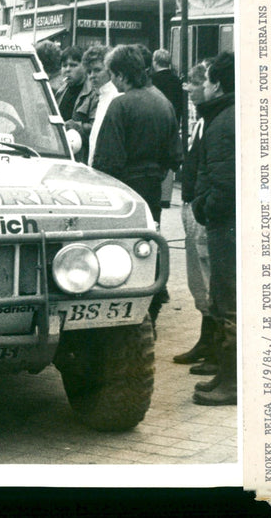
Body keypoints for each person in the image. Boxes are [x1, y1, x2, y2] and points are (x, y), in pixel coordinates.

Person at [92, 45, 182, 330]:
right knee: (149, 244)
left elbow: (107, 160)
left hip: (124, 186)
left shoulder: (120, 105)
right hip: (152, 185)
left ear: (119, 75)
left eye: (112, 74)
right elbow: (174, 155)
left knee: (119, 250)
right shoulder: (162, 101)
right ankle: (151, 309)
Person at [191, 51, 237, 406]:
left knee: (229, 302)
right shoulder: (231, 115)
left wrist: (204, 207)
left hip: (227, 226)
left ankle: (232, 382)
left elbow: (224, 183)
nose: (201, 87)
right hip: (231, 223)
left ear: (217, 83)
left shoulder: (223, 121)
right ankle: (226, 374)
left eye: (204, 81)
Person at [172, 60, 215, 369]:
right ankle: (206, 339)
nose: (188, 89)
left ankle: (216, 346)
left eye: (195, 84)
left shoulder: (214, 120)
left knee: (209, 277)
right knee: (196, 281)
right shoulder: (201, 118)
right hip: (191, 205)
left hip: (202, 209)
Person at [150, 49, 183, 209]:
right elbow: (181, 104)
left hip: (155, 124)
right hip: (173, 123)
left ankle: (158, 194)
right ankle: (166, 197)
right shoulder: (177, 81)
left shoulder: (152, 80)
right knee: (168, 159)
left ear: (155, 62)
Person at [84, 44, 118, 166]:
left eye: (97, 70)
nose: (92, 75)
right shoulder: (100, 96)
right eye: (89, 71)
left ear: (109, 70)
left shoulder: (115, 97)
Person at [54, 46, 86, 121]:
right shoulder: (60, 91)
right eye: (64, 66)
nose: (67, 69)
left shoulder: (93, 93)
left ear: (84, 67)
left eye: (73, 65)